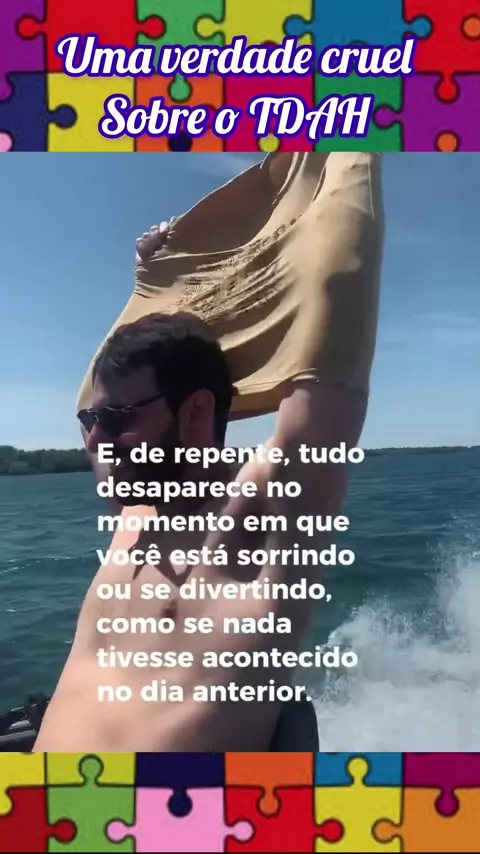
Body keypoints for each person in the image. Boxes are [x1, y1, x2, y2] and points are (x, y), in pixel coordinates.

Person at [35, 153, 383, 752]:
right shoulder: (134, 515)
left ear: (196, 413)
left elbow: (338, 299)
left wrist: (355, 147)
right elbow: (94, 393)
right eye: (92, 423)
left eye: (114, 421)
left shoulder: (267, 514)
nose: (93, 441)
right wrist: (156, 284)